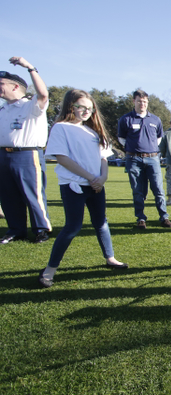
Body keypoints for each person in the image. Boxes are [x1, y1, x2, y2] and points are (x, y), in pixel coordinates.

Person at [38, 89, 128, 288]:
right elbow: (61, 157)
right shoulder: (61, 128)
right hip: (74, 185)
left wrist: (102, 178)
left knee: (101, 222)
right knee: (73, 226)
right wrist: (90, 178)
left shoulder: (93, 131)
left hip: (96, 185)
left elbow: (104, 157)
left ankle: (110, 258)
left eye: (90, 108)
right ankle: (49, 270)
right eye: (81, 107)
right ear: (71, 107)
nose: (86, 111)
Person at [0, 57, 51, 244]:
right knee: (8, 195)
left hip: (27, 154)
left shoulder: (30, 105)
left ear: (15, 87)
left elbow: (43, 94)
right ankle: (16, 229)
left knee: (33, 194)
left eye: (1, 84)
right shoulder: (3, 109)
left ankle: (41, 230)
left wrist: (30, 68)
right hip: (4, 155)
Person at [117, 89, 171, 229]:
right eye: (139, 101)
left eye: (144, 101)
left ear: (147, 102)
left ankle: (164, 217)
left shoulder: (155, 119)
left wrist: (149, 149)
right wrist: (134, 149)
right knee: (138, 191)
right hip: (133, 159)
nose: (142, 104)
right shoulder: (126, 119)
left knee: (158, 190)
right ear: (133, 101)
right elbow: (121, 138)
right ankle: (141, 219)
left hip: (153, 159)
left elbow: (159, 138)